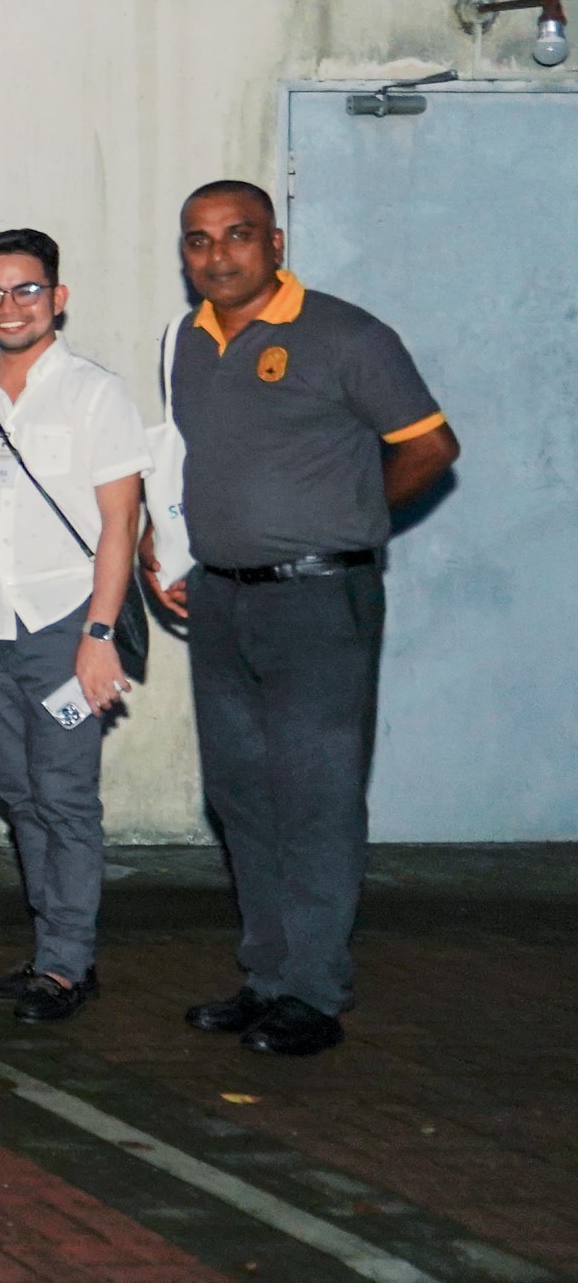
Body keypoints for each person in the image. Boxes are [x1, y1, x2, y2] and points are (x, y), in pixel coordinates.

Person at [149, 181, 455, 1060]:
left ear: (274, 242)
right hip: (220, 596)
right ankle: (267, 976)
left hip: (320, 599)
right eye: (199, 242)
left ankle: (315, 993)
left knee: (316, 797)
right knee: (241, 794)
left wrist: (350, 520)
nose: (218, 256)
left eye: (237, 236)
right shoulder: (192, 345)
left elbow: (431, 447)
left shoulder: (348, 335)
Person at [0, 229, 150, 1026]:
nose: (9, 306)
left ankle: (67, 964)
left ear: (57, 298)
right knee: (20, 797)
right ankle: (49, 948)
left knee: (65, 798)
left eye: (26, 290)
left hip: (66, 628)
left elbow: (120, 524)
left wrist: (100, 637)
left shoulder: (95, 392)